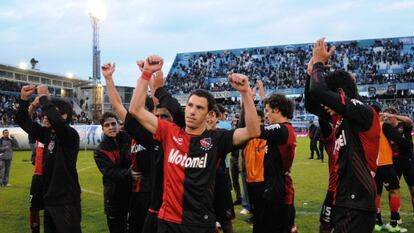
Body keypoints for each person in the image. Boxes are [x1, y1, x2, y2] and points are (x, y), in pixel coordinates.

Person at [128, 55, 260, 233]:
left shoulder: (217, 139)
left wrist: (245, 93)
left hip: (199, 223)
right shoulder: (169, 132)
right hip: (167, 221)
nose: (192, 111)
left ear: (208, 114)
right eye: (190, 105)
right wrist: (146, 73)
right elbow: (136, 109)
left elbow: (253, 131)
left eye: (199, 108)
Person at [102, 62, 184, 233]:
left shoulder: (174, 137)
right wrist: (108, 78)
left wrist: (153, 81)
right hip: (138, 194)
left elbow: (161, 107)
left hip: (163, 198)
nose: (159, 118)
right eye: (157, 115)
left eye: (164, 116)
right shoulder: (143, 135)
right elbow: (118, 106)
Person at [308, 38, 380, 233]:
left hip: (357, 202)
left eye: (328, 98)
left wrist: (318, 65)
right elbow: (312, 102)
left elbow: (318, 92)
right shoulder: (340, 118)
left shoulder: (363, 112)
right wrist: (311, 74)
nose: (324, 105)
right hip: (344, 199)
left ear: (339, 93)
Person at [16, 84, 82, 233]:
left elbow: (57, 123)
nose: (46, 116)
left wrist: (44, 97)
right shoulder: (48, 135)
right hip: (49, 198)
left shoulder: (70, 135)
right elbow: (22, 121)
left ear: (65, 116)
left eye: (52, 112)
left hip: (66, 200)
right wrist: (24, 100)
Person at [94, 112, 133, 233]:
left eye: (113, 123)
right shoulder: (100, 151)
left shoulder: (129, 139)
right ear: (103, 129)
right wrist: (129, 173)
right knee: (116, 229)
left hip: (133, 193)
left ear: (118, 124)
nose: (111, 127)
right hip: (114, 196)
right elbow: (109, 172)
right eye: (107, 125)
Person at [371, 105, 403, 233]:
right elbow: (398, 139)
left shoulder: (367, 126)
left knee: (376, 193)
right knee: (394, 191)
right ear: (380, 113)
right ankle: (394, 224)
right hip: (385, 163)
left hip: (373, 165)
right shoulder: (384, 125)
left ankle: (377, 223)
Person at [207, 105, 235, 233]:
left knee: (226, 222)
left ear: (216, 117)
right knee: (207, 222)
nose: (208, 117)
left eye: (211, 114)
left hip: (220, 182)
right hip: (203, 186)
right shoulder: (193, 136)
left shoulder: (222, 134)